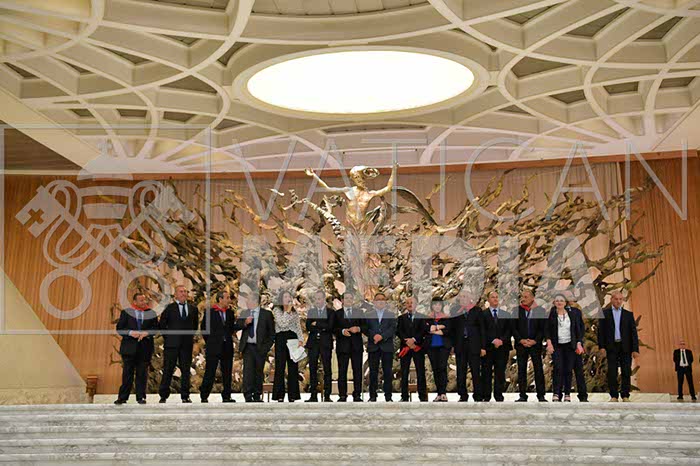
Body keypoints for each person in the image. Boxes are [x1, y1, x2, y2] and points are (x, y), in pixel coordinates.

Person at [115, 292, 158, 405]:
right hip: (129, 348)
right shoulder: (126, 312)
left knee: (142, 374)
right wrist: (130, 332)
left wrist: (147, 333)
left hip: (145, 348)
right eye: (141, 300)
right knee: (127, 374)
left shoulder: (151, 313)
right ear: (134, 302)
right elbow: (120, 328)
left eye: (145, 300)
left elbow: (155, 328)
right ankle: (122, 397)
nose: (144, 302)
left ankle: (141, 397)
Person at [158, 285, 199, 404]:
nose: (184, 293)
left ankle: (185, 396)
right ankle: (163, 395)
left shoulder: (193, 309)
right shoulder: (169, 308)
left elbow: (194, 325)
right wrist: (169, 338)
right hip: (171, 344)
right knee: (168, 369)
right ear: (175, 294)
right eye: (181, 291)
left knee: (186, 371)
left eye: (185, 291)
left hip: (186, 345)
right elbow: (162, 325)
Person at [597, 290, 639, 402]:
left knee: (626, 371)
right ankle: (614, 396)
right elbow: (601, 332)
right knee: (612, 372)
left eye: (620, 299)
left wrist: (635, 349)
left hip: (625, 347)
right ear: (611, 300)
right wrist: (602, 347)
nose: (618, 301)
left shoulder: (628, 315)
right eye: (616, 299)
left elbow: (633, 333)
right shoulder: (605, 314)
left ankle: (625, 395)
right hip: (611, 347)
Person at [199, 290, 241, 403]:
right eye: (227, 298)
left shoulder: (230, 313)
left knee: (227, 372)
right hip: (213, 347)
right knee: (210, 371)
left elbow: (231, 328)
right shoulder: (210, 312)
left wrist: (243, 324)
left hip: (227, 346)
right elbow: (204, 329)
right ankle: (204, 395)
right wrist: (210, 341)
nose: (229, 300)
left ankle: (226, 396)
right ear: (220, 299)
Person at [545, 294, 584, 402]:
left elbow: (579, 329)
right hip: (557, 345)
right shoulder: (551, 314)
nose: (559, 302)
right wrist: (549, 343)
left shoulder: (573, 313)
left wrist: (579, 343)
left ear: (565, 302)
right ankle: (556, 393)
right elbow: (547, 330)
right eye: (557, 300)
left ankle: (567, 393)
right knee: (558, 368)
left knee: (568, 369)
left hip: (570, 345)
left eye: (561, 300)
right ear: (554, 303)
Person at [450, 289, 486, 402]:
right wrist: (452, 345)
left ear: (470, 298)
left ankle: (478, 395)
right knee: (461, 371)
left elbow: (482, 329)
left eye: (465, 296)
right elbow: (452, 330)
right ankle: (463, 395)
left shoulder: (477, 310)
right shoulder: (455, 310)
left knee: (476, 371)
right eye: (461, 297)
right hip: (460, 345)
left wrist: (483, 347)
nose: (463, 298)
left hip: (474, 345)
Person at [238, 293, 275, 402]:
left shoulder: (266, 314)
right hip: (248, 347)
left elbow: (272, 334)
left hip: (260, 348)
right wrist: (245, 322)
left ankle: (257, 395)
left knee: (259, 372)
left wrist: (266, 348)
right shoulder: (244, 313)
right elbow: (237, 325)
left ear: (255, 301)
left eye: (249, 300)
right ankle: (248, 395)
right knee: (248, 372)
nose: (247, 302)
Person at [512, 289, 547, 402]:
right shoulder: (516, 310)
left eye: (526, 297)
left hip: (535, 345)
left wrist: (535, 341)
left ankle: (541, 395)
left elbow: (543, 328)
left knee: (538, 369)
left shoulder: (540, 311)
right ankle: (522, 395)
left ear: (532, 298)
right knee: (521, 370)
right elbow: (513, 328)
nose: (523, 299)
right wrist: (520, 340)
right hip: (521, 345)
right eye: (522, 297)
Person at [272, 290, 305, 402]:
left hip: (293, 338)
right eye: (285, 297)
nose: (287, 299)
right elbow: (282, 323)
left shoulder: (294, 312)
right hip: (281, 338)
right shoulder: (277, 310)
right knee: (280, 366)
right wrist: (287, 311)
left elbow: (297, 326)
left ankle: (293, 395)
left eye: (289, 297)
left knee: (293, 367)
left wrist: (300, 339)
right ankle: (279, 395)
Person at [365, 292, 397, 402]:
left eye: (382, 299)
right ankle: (372, 396)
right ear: (374, 302)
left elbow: (393, 329)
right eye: (378, 299)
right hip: (373, 346)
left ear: (385, 302)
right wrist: (374, 336)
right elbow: (366, 329)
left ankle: (388, 396)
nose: (380, 301)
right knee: (373, 372)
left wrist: (382, 337)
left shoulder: (391, 314)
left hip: (386, 346)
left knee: (387, 372)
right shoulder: (368, 315)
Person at [480, 291, 512, 402]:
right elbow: (482, 331)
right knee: (486, 372)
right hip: (488, 348)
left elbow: (509, 330)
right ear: (488, 300)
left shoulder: (506, 314)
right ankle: (486, 395)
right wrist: (493, 340)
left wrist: (501, 340)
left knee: (500, 372)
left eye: (497, 297)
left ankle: (499, 395)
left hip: (502, 348)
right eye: (493, 297)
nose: (495, 299)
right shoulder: (483, 314)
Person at [335, 291, 366, 402]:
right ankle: (342, 395)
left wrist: (358, 328)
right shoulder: (337, 314)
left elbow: (365, 326)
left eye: (350, 298)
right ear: (342, 300)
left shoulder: (359, 312)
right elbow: (333, 328)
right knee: (342, 371)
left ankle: (357, 394)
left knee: (357, 371)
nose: (348, 300)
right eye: (346, 298)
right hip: (342, 346)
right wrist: (342, 331)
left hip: (356, 346)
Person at [305, 289, 335, 402]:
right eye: (316, 299)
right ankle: (313, 395)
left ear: (324, 299)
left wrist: (317, 323)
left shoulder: (330, 312)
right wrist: (322, 326)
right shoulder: (311, 312)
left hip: (325, 343)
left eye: (320, 298)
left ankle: (327, 395)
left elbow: (330, 326)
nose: (318, 301)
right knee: (312, 369)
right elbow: (308, 326)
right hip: (313, 343)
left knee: (327, 369)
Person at [397, 296, 428, 402]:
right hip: (405, 347)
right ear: (405, 305)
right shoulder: (401, 318)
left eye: (412, 302)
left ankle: (422, 396)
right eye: (408, 303)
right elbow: (399, 331)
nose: (410, 304)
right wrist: (407, 341)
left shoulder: (422, 317)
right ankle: (404, 396)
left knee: (420, 371)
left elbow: (423, 331)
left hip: (417, 347)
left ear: (416, 304)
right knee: (404, 372)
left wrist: (414, 340)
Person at [425, 299, 451, 402]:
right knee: (435, 369)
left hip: (443, 346)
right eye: (435, 304)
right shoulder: (428, 318)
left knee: (442, 368)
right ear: (432, 306)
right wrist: (439, 328)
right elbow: (426, 329)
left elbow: (447, 330)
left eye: (439, 305)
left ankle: (443, 393)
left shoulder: (446, 318)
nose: (437, 306)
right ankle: (439, 393)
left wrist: (434, 329)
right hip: (431, 346)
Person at [566, 293, 588, 402]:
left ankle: (583, 395)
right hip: (564, 347)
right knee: (566, 371)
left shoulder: (576, 312)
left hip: (576, 346)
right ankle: (566, 394)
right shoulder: (556, 311)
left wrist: (579, 342)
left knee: (579, 371)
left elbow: (581, 329)